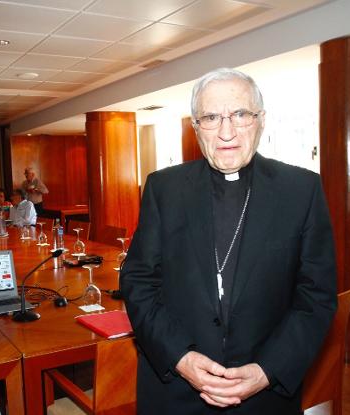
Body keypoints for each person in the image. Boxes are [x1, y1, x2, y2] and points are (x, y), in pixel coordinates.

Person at [120, 68, 337, 415]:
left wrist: (268, 370)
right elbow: (138, 282)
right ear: (196, 126)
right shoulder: (164, 189)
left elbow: (316, 297)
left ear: (261, 120)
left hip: (265, 397)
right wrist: (180, 357)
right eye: (210, 117)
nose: (226, 132)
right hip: (175, 393)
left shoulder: (302, 190)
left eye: (240, 114)